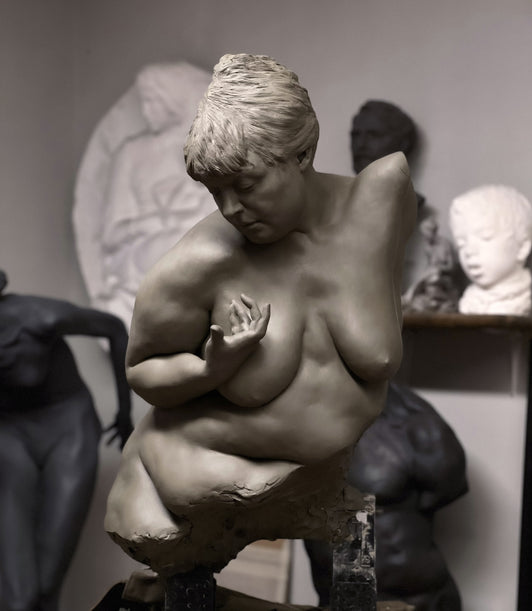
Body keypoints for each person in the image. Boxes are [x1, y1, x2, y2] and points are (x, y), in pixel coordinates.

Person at [105, 54, 417, 579]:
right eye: (215, 192)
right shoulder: (199, 265)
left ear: (303, 154)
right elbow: (141, 370)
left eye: (245, 185)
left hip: (321, 485)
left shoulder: (381, 200)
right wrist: (211, 368)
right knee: (166, 551)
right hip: (200, 484)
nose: (230, 209)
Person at [0, 269, 132, 611]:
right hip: (9, 431)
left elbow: (114, 328)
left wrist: (124, 412)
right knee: (19, 598)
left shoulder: (39, 316)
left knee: (47, 584)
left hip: (66, 425)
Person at [305, 383, 467, 610]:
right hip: (340, 597)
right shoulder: (300, 415)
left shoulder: (411, 420)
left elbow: (446, 489)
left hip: (414, 600)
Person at [100, 62, 215, 327]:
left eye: (153, 101)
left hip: (197, 240)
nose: (146, 111)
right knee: (166, 252)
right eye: (144, 102)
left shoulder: (206, 148)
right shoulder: (130, 154)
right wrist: (153, 223)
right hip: (145, 250)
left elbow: (221, 211)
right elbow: (113, 235)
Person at [450, 184, 532, 315]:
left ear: (522, 248)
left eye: (485, 237)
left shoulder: (527, 298)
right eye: (461, 244)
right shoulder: (468, 302)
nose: (469, 251)